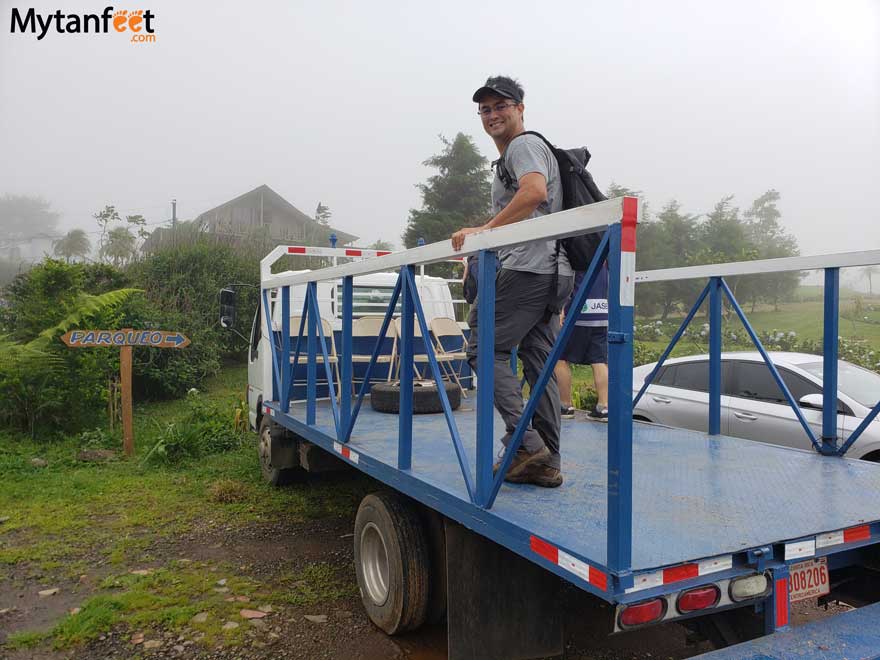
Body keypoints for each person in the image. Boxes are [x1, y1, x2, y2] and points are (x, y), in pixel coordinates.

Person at [451, 75, 572, 488]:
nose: (492, 114)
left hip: (528, 268)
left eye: (501, 105)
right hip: (553, 271)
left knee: (483, 348)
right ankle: (548, 461)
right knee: (539, 364)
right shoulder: (521, 151)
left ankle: (524, 444)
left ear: (520, 109)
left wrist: (485, 231)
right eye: (485, 109)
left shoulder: (523, 146)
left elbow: (534, 192)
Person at [555, 265, 609, 421]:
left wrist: (561, 310)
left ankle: (565, 405)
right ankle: (603, 406)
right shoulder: (604, 260)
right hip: (600, 312)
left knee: (559, 357)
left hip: (579, 312)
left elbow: (566, 284)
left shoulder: (578, 256)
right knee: (599, 360)